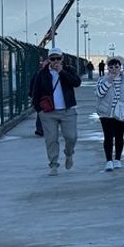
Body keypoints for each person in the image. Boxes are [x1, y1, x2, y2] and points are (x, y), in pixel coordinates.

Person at [30, 48, 82, 176]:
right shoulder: (42, 74)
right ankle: (53, 164)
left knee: (71, 136)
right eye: (53, 59)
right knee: (51, 139)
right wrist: (39, 110)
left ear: (62, 58)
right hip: (48, 113)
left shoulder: (68, 70)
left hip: (67, 110)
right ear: (49, 60)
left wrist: (61, 72)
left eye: (58, 58)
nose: (55, 61)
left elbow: (76, 83)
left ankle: (69, 153)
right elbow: (34, 92)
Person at [95, 57, 124, 172]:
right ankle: (108, 161)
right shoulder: (102, 80)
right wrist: (109, 81)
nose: (114, 69)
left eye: (116, 67)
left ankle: (117, 159)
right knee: (108, 137)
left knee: (119, 136)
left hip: (122, 113)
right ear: (107, 68)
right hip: (106, 114)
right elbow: (99, 93)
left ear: (120, 67)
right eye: (111, 67)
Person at [30, 57, 48, 137]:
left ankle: (41, 128)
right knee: (41, 112)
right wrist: (32, 95)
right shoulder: (39, 74)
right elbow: (33, 85)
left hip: (45, 97)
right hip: (41, 97)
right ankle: (40, 129)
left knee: (42, 113)